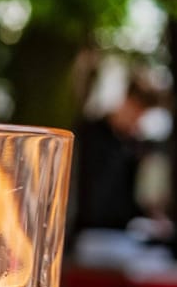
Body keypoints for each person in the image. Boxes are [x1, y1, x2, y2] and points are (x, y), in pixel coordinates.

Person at [70, 77, 165, 236]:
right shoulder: (90, 134)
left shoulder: (131, 144)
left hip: (120, 230)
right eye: (137, 113)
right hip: (91, 230)